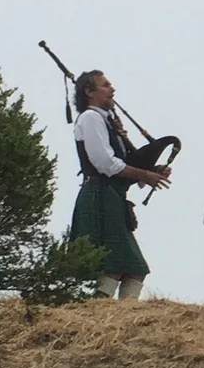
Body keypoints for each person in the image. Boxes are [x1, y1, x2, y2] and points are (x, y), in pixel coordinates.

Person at [66, 68, 171, 300]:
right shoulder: (91, 118)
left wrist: (151, 172)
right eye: (105, 85)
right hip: (100, 195)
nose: (112, 89)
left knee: (134, 268)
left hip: (111, 196)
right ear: (89, 92)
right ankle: (100, 311)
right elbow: (105, 163)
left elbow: (121, 163)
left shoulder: (107, 122)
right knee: (116, 265)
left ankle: (121, 315)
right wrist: (145, 175)